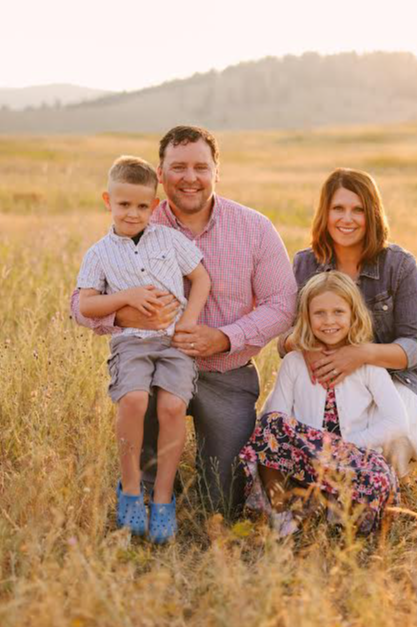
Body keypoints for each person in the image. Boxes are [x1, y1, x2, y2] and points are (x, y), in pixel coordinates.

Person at [71, 126, 298, 518]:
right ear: (160, 173)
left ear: (216, 172)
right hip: (155, 367)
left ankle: (207, 488)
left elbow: (284, 303)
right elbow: (80, 303)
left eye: (200, 167)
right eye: (178, 167)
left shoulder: (254, 228)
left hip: (226, 373)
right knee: (146, 470)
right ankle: (150, 494)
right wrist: (124, 313)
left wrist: (226, 338)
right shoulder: (137, 214)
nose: (190, 178)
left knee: (221, 505)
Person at [76, 155, 211, 543]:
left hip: (173, 342)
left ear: (154, 205)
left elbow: (201, 279)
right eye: (123, 205)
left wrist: (189, 320)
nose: (132, 213)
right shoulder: (99, 252)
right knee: (134, 401)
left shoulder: (169, 240)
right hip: (131, 344)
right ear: (108, 201)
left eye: (141, 205)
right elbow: (86, 304)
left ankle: (164, 498)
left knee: (172, 407)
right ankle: (132, 490)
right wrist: (127, 297)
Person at [280, 168, 417, 478]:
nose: (348, 219)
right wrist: (307, 346)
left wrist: (359, 354)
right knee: (316, 429)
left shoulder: (398, 264)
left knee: (391, 435)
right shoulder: (305, 263)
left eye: (358, 209)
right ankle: (322, 491)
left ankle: (384, 496)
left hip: (401, 376)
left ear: (372, 215)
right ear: (325, 213)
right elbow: (286, 339)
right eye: (338, 208)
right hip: (331, 373)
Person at [240, 271, 407, 538]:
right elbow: (276, 417)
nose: (329, 321)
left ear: (354, 315)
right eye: (319, 314)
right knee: (270, 425)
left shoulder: (368, 366)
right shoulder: (295, 362)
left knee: (380, 475)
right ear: (306, 318)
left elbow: (398, 421)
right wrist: (313, 450)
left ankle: (337, 517)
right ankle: (282, 514)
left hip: (351, 458)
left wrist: (346, 447)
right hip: (306, 460)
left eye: (338, 312)